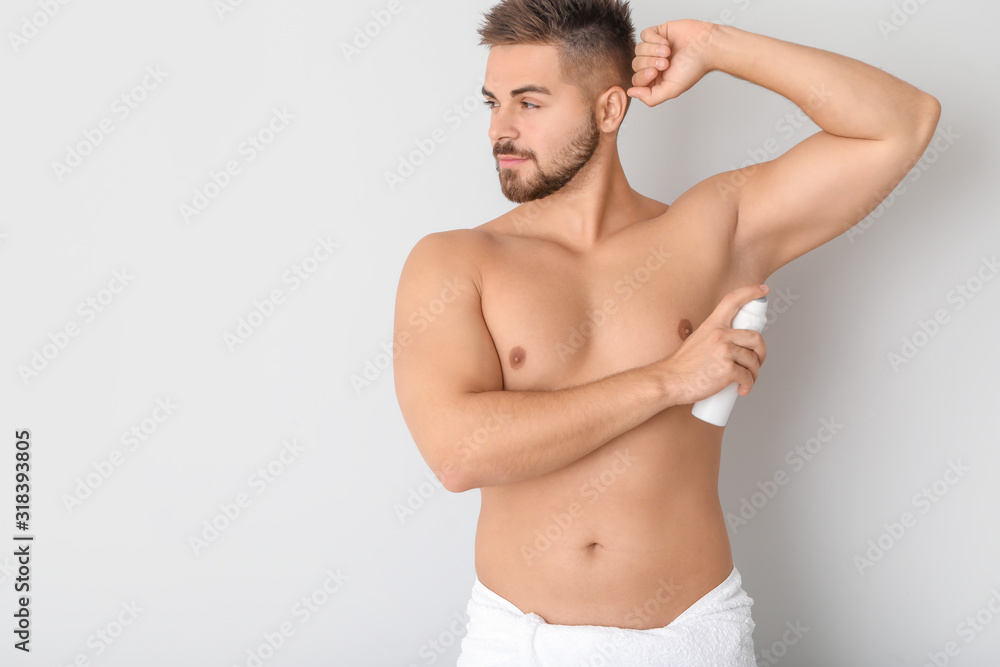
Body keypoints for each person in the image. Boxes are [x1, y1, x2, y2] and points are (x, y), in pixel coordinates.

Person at [392, 0, 940, 664]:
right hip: (519, 640)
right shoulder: (454, 263)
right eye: (493, 102)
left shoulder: (709, 229)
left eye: (529, 104)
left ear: (609, 110)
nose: (499, 130)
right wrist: (668, 380)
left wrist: (716, 45)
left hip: (690, 638)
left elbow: (901, 123)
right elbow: (459, 453)